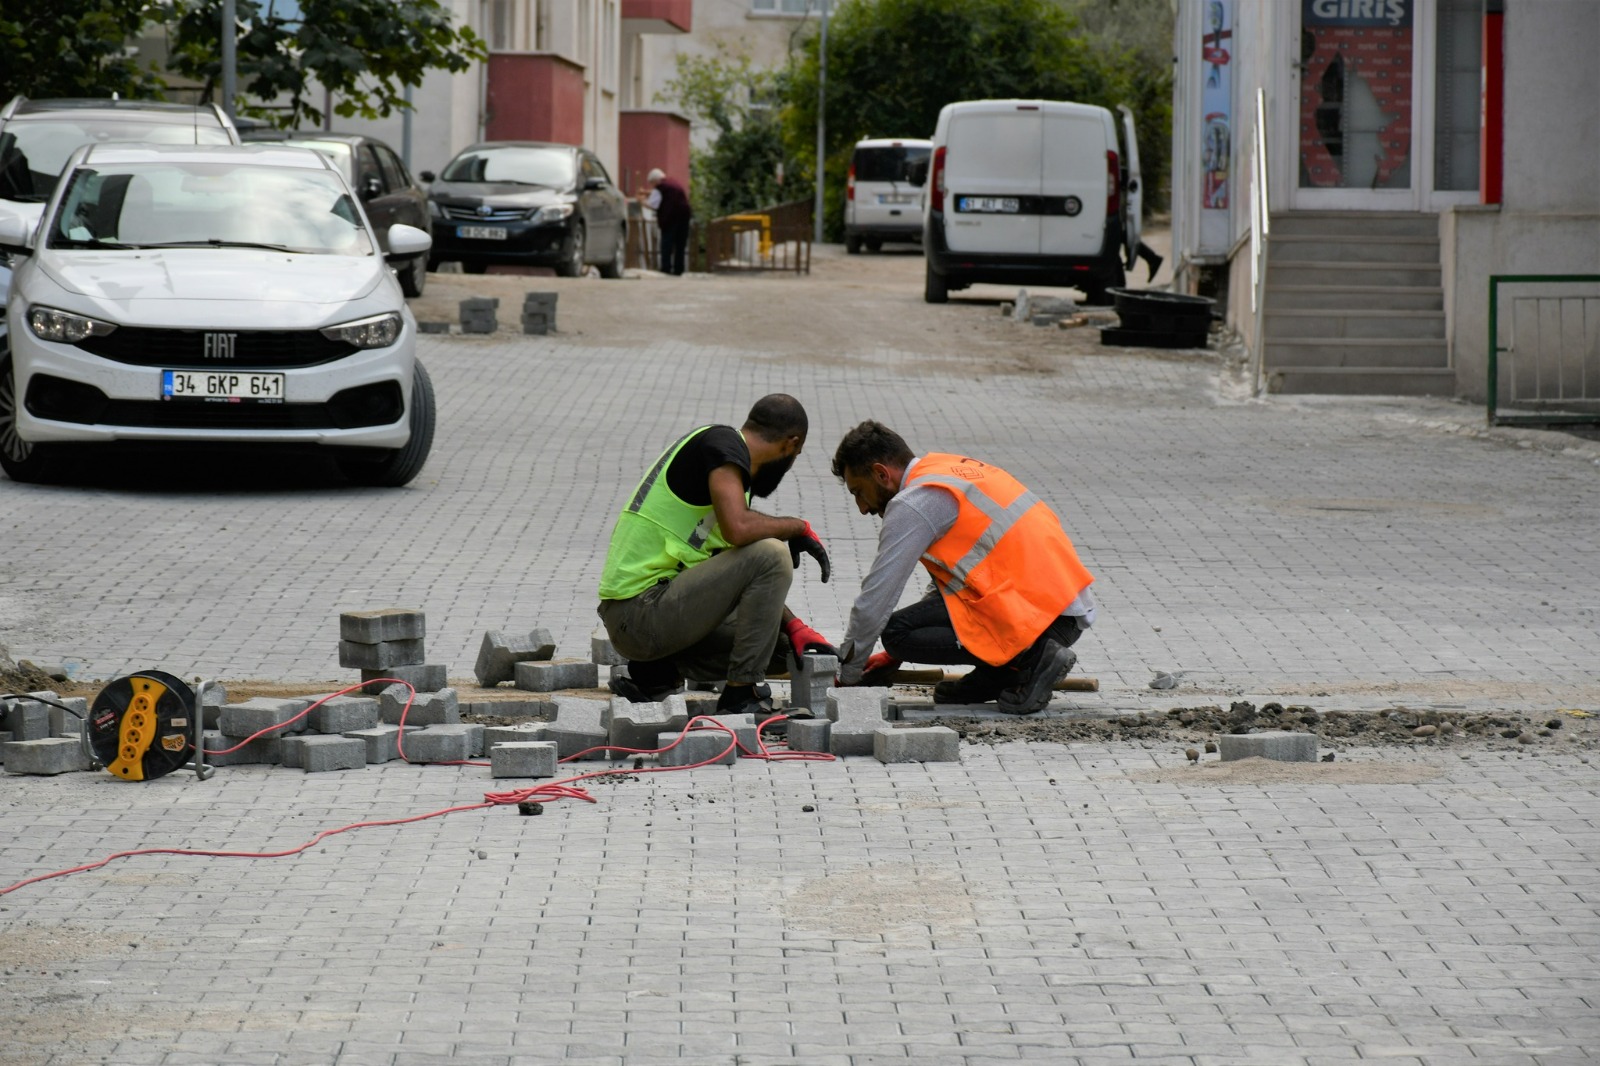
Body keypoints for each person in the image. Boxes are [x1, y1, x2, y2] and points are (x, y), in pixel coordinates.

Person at [829, 421, 1095, 714]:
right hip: (1059, 609)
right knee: (902, 640)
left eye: (859, 492)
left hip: (1039, 620)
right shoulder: (943, 470)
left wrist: (848, 675)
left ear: (881, 474)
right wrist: (893, 658)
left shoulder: (913, 503)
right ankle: (1003, 671)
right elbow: (951, 584)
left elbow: (876, 598)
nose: (862, 508)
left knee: (895, 633)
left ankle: (1032, 659)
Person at [597, 394, 835, 717]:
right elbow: (739, 530)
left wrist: (795, 627)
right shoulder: (722, 443)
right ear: (791, 444)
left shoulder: (728, 483)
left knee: (780, 648)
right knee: (773, 553)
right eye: (796, 455)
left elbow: (733, 566)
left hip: (650, 621)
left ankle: (656, 676)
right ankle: (741, 696)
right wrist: (797, 528)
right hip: (638, 613)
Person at [642, 167, 691, 276]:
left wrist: (642, 202)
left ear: (655, 181)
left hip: (670, 218)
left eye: (652, 183)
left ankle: (666, 268)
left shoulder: (659, 188)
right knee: (680, 244)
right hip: (684, 216)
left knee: (667, 244)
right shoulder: (673, 183)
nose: (652, 186)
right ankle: (679, 269)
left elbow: (653, 204)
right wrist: (648, 193)